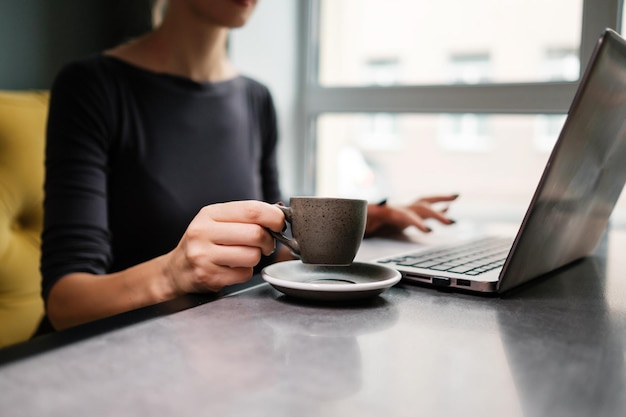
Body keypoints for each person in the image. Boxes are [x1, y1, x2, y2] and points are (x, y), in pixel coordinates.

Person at [39, 0, 458, 332]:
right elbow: (65, 305)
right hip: (118, 354)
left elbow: (274, 252)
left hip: (225, 344)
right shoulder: (91, 87)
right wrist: (171, 273)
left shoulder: (256, 99)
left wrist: (362, 222)